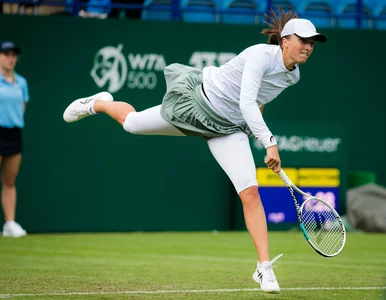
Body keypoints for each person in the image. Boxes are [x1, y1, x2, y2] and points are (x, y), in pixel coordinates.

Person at [63, 9, 326, 293]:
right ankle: (99, 103)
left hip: (227, 130)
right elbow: (247, 100)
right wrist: (269, 141)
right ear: (285, 40)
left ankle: (264, 268)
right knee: (132, 124)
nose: (309, 47)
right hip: (196, 106)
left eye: (313, 43)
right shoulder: (260, 55)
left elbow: (259, 101)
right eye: (304, 40)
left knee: (250, 192)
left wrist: (252, 131)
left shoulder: (293, 76)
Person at [0, 41, 29, 238]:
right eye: (7, 54)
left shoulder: (21, 82)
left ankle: (9, 224)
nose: (11, 58)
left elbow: (23, 106)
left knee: (10, 180)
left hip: (14, 133)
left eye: (14, 55)